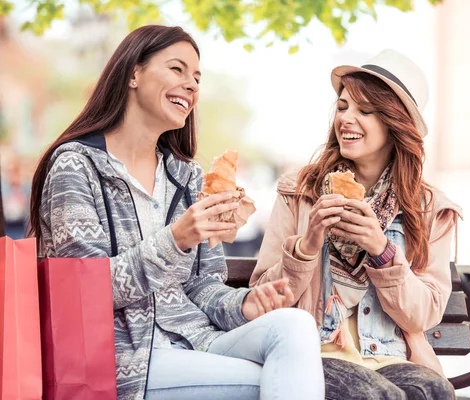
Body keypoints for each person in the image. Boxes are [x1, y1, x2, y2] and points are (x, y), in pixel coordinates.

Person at [28, 25, 324, 400]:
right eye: (177, 69)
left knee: (294, 326)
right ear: (133, 73)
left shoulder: (186, 177)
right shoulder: (76, 167)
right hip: (118, 360)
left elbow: (203, 286)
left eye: (197, 78)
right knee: (268, 381)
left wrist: (243, 303)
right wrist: (175, 240)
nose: (192, 85)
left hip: (195, 341)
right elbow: (84, 293)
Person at [250, 49, 462, 399]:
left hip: (389, 355)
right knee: (378, 395)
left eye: (365, 110)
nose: (346, 118)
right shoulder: (300, 192)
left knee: (433, 391)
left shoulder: (430, 210)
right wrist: (308, 245)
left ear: (395, 124)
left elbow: (422, 314)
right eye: (343, 106)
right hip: (314, 352)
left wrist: (381, 251)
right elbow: (263, 298)